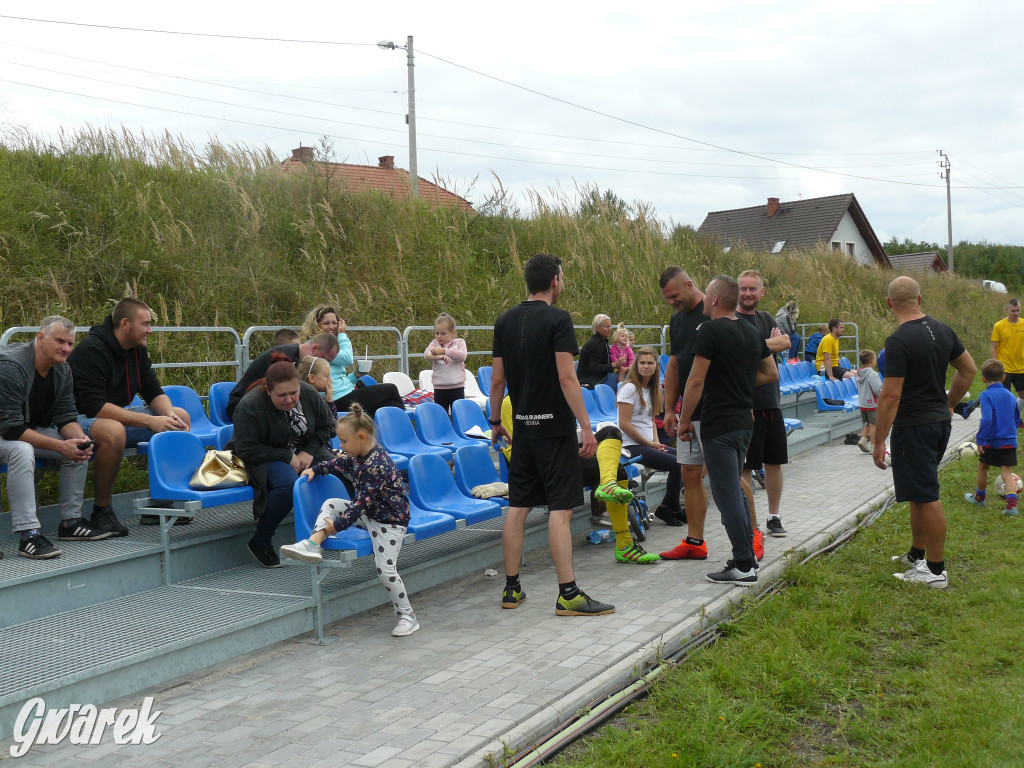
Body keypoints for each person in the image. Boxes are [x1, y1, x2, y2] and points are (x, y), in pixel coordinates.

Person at [490, 253, 615, 615]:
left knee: (518, 508)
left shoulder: (505, 320)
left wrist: (496, 420)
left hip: (523, 432)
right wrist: (587, 427)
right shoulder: (559, 319)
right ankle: (568, 593)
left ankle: (511, 590)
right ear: (556, 281)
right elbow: (566, 377)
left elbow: (497, 379)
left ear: (528, 282)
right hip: (555, 431)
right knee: (560, 510)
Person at [281, 404, 419, 636]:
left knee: (386, 570)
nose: (341, 446)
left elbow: (360, 504)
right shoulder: (360, 455)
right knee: (332, 503)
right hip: (371, 514)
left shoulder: (376, 464)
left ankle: (408, 615)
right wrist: (318, 468)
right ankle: (313, 545)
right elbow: (340, 463)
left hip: (390, 522)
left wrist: (337, 526)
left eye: (344, 441)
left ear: (362, 437)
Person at [874, 276, 975, 589]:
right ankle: (917, 556)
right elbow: (969, 370)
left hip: (914, 426)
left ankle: (935, 570)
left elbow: (890, 395)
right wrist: (949, 404)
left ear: (889, 303)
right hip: (937, 423)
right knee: (918, 491)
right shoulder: (943, 330)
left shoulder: (898, 341)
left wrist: (878, 439)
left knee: (927, 495)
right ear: (920, 299)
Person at [678, 276, 777, 586]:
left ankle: (745, 565)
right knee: (733, 489)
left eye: (707, 294)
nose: (704, 299)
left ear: (716, 299)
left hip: (718, 424)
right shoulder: (751, 330)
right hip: (744, 422)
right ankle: (746, 556)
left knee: (727, 496)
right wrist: (739, 382)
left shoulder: (709, 330)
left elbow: (694, 382)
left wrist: (683, 420)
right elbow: (770, 372)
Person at [68, 298, 192, 536]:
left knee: (180, 416)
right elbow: (94, 407)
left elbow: (153, 390)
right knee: (113, 430)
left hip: (112, 418)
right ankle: (101, 511)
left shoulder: (137, 351)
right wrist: (150, 421)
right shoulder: (92, 350)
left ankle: (160, 501)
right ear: (125, 324)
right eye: (145, 324)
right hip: (75, 420)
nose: (150, 330)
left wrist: (167, 416)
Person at [497, 394, 657, 565]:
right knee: (617, 470)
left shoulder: (556, 394)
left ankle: (607, 486)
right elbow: (515, 449)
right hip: (545, 468)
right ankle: (624, 544)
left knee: (611, 433)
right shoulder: (511, 401)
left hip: (564, 455)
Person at [0, 316, 112, 560]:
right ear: (40, 337)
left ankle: (70, 523)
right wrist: (60, 446)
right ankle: (29, 534)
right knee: (21, 450)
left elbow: (66, 416)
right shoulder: (10, 367)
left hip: (22, 430)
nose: (66, 349)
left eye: (70, 344)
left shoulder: (62, 369)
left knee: (79, 445)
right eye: (60, 341)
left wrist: (77, 440)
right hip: (7, 432)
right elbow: (10, 429)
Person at [232, 356, 335, 568]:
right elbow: (245, 448)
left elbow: (327, 427)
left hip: (305, 450)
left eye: (293, 393)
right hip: (265, 455)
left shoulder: (308, 394)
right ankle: (261, 540)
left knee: (339, 471)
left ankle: (335, 530)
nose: (289, 399)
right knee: (289, 485)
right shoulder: (250, 405)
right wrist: (286, 457)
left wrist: (308, 451)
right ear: (268, 391)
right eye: (281, 395)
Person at [736, 270, 792, 546]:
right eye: (743, 289)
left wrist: (752, 348)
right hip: (746, 405)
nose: (747, 294)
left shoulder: (766, 318)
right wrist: (766, 346)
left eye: (752, 289)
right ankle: (752, 522)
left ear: (762, 292)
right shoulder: (732, 320)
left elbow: (786, 342)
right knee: (746, 467)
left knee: (774, 462)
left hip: (771, 402)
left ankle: (773, 516)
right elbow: (772, 345)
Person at [659, 266, 711, 561]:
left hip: (716, 411)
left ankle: (750, 536)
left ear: (690, 285)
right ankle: (695, 541)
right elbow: (676, 365)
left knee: (730, 476)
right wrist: (669, 409)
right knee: (689, 473)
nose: (671, 302)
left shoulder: (715, 312)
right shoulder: (677, 321)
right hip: (688, 414)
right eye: (667, 298)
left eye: (675, 296)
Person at [616, 347, 685, 527]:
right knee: (678, 464)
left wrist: (655, 442)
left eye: (650, 363)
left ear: (656, 366)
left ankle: (669, 508)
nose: (646, 366)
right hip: (632, 447)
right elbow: (624, 424)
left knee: (686, 461)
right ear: (636, 365)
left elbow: (652, 419)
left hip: (648, 444)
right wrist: (649, 443)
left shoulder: (653, 389)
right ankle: (672, 508)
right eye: (642, 363)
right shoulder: (630, 388)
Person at [298, 305, 404, 417]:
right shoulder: (317, 346)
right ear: (316, 325)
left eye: (335, 323)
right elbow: (348, 359)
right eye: (326, 323)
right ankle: (399, 428)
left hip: (344, 395)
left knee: (388, 405)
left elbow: (337, 379)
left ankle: (381, 432)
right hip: (337, 399)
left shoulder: (325, 344)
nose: (332, 326)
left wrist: (355, 375)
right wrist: (342, 334)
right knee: (391, 389)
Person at [226, 327, 339, 421]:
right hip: (242, 408)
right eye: (323, 358)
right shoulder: (283, 359)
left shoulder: (295, 356)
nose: (322, 363)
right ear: (314, 348)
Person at [965, 359, 1022, 516]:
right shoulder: (1010, 396)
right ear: (1004, 377)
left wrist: (981, 439)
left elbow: (987, 419)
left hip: (992, 441)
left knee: (983, 467)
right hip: (1009, 440)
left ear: (983, 378)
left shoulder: (985, 395)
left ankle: (979, 499)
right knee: (1007, 473)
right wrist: (1012, 429)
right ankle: (1012, 507)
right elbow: (1017, 416)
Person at [424, 312, 467, 414]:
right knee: (440, 415)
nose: (439, 336)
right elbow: (427, 355)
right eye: (437, 333)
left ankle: (457, 430)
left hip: (457, 387)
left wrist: (444, 351)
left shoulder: (459, 342)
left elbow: (462, 356)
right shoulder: (435, 343)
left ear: (453, 332)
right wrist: (439, 356)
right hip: (439, 388)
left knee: (458, 415)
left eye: (443, 334)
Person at [990, 298, 1024, 417]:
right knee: (1005, 396)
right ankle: (1005, 419)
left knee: (1022, 395)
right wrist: (995, 363)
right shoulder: (999, 326)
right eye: (1013, 311)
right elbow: (994, 346)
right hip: (1005, 367)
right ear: (1007, 310)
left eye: (1018, 310)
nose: (1016, 313)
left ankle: (1016, 417)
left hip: (1021, 367)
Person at [576, 314, 622, 390]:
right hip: (591, 380)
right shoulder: (596, 343)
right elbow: (593, 367)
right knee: (626, 382)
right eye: (607, 326)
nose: (610, 329)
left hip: (600, 377)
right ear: (597, 328)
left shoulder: (602, 341)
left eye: (610, 326)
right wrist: (614, 364)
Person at [855, 349, 882, 453]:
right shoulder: (873, 374)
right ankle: (873, 446)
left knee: (869, 422)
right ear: (871, 360)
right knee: (874, 424)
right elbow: (877, 389)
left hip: (863, 403)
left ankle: (863, 439)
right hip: (872, 404)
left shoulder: (859, 373)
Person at [297, 356, 337, 422]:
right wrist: (329, 402)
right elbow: (332, 425)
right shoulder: (307, 401)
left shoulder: (315, 397)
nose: (331, 380)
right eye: (327, 376)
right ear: (312, 378)